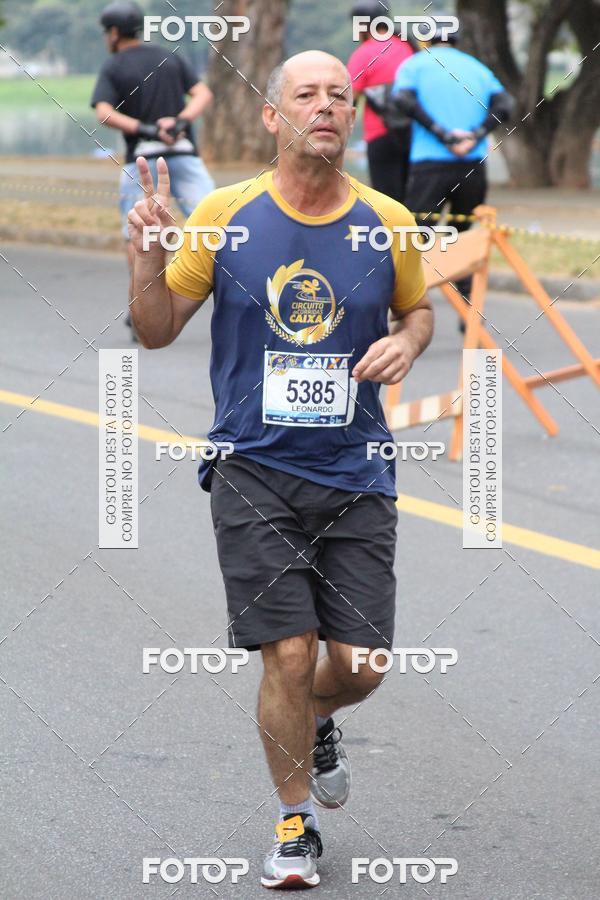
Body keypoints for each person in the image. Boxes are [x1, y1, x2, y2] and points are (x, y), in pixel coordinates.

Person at [127, 50, 433, 889]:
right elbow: (155, 329)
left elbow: (420, 308)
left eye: (341, 95)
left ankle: (315, 722)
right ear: (272, 115)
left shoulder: (390, 220)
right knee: (289, 656)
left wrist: (407, 340)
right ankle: (294, 822)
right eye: (307, 94)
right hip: (252, 468)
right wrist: (147, 257)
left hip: (357, 470)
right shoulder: (225, 215)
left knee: (362, 667)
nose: (326, 106)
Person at [90, 1, 215, 339]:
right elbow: (203, 93)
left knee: (140, 231)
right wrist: (181, 121)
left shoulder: (114, 66)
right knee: (218, 222)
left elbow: (103, 112)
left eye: (107, 33)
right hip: (183, 152)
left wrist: (143, 129)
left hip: (143, 163)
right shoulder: (169, 56)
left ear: (114, 34)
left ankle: (142, 307)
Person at [392, 23, 513, 315]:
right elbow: (505, 103)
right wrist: (475, 134)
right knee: (463, 237)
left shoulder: (416, 64)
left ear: (427, 39)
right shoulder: (477, 67)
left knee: (416, 234)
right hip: (472, 165)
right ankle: (470, 311)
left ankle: (407, 308)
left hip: (429, 163)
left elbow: (402, 100)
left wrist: (442, 134)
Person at [347, 0, 414, 202]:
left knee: (386, 201)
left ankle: (393, 234)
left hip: (380, 135)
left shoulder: (364, 53)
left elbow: (349, 97)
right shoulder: (408, 47)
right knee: (410, 199)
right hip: (413, 134)